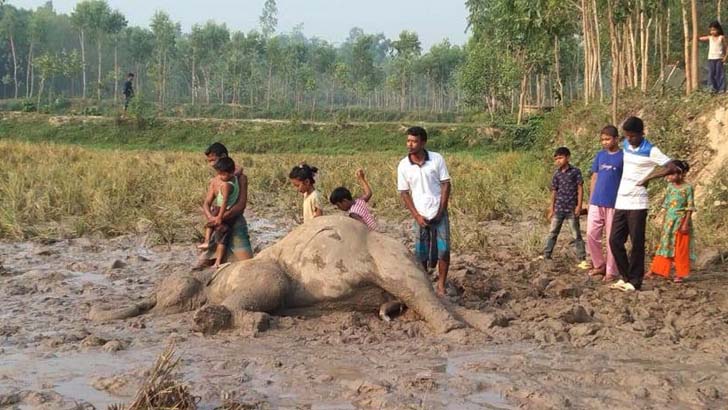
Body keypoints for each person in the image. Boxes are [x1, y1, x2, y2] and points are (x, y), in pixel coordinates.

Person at [609, 117, 679, 292]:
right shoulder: (625, 145)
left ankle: (635, 281)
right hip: (622, 199)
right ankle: (625, 277)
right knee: (614, 240)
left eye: (632, 136)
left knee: (637, 242)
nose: (629, 140)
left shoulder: (651, 150)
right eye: (627, 136)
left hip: (638, 202)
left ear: (641, 134)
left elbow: (672, 167)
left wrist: (649, 177)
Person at [397, 126, 452, 296]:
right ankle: (425, 285)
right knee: (421, 253)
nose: (410, 145)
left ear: (423, 142)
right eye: (408, 141)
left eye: (414, 141)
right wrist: (416, 216)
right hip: (420, 215)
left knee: (443, 250)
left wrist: (441, 210)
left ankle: (441, 286)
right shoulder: (404, 165)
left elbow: (445, 184)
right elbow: (404, 192)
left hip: (439, 213)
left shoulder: (436, 159)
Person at [194, 142, 253, 269]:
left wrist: (220, 217)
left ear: (224, 156)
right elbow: (206, 203)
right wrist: (211, 218)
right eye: (209, 161)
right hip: (218, 225)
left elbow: (240, 206)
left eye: (213, 160)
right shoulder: (215, 180)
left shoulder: (241, 178)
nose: (211, 164)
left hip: (235, 223)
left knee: (247, 265)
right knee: (203, 265)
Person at [647, 161, 695, 283]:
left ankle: (680, 273)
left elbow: (690, 207)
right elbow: (667, 205)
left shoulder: (688, 188)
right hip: (669, 221)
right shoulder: (670, 187)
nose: (669, 177)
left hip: (681, 221)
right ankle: (656, 269)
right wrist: (664, 221)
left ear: (681, 174)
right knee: (665, 244)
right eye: (668, 174)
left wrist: (685, 224)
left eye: (672, 174)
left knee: (680, 247)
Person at [586, 125, 623, 281]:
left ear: (616, 139)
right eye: (602, 140)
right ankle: (599, 264)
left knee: (611, 239)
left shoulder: (623, 156)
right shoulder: (600, 155)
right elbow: (594, 177)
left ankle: (611, 271)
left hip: (614, 203)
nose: (605, 142)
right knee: (591, 234)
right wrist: (590, 199)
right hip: (596, 201)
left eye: (607, 139)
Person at [543, 147, 588, 267]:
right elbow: (554, 192)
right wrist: (551, 208)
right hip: (559, 208)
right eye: (556, 159)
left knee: (576, 234)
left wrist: (579, 206)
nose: (558, 160)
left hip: (571, 209)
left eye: (560, 158)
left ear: (568, 157)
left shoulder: (575, 172)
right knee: (553, 232)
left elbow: (580, 188)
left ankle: (582, 258)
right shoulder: (557, 174)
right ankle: (547, 254)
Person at [199, 157, 239, 268]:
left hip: (223, 211)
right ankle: (207, 242)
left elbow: (225, 202)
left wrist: (220, 217)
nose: (220, 177)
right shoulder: (235, 178)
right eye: (219, 174)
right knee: (212, 227)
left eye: (223, 174)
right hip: (223, 211)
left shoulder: (226, 185)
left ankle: (217, 260)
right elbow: (239, 170)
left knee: (221, 237)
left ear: (230, 172)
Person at [699, 21, 727, 93]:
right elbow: (701, 38)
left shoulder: (721, 37)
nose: (712, 32)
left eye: (714, 30)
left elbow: (726, 47)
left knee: (719, 74)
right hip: (711, 59)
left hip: (719, 59)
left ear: (718, 29)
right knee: (711, 74)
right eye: (711, 30)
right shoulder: (710, 37)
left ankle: (721, 89)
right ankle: (712, 88)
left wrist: (725, 57)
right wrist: (696, 37)